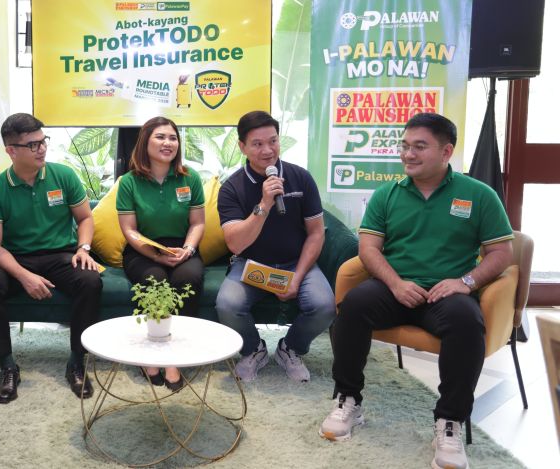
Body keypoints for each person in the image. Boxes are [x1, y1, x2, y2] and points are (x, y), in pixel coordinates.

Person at [319, 113, 513, 469]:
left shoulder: (479, 195)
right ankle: (348, 399)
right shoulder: (387, 194)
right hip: (395, 287)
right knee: (353, 306)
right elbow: (369, 249)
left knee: (467, 323)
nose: (408, 154)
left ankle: (450, 421)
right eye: (405, 146)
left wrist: (465, 283)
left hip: (447, 294)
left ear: (446, 151)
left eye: (419, 147)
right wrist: (395, 283)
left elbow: (502, 253)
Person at [0, 113, 102, 403]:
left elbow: (85, 218)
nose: (42, 148)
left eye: (43, 141)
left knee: (90, 281)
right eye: (33, 145)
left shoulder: (63, 175)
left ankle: (76, 362)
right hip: (17, 258)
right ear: (11, 150)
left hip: (61, 254)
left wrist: (83, 248)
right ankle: (8, 366)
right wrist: (24, 276)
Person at [216, 110, 335, 383]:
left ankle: (290, 348)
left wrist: (297, 277)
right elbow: (235, 244)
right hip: (251, 264)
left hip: (296, 261)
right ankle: (253, 349)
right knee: (227, 304)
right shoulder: (232, 187)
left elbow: (316, 233)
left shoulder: (301, 178)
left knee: (325, 306)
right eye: (257, 144)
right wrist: (265, 204)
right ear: (242, 147)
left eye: (273, 141)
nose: (267, 150)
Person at [116, 116, 205, 391]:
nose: (168, 143)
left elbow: (198, 223)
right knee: (154, 280)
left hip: (182, 246)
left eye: (173, 138)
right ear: (145, 142)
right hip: (143, 249)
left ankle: (175, 356)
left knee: (188, 279)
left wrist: (188, 249)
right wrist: (156, 256)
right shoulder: (129, 182)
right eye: (160, 137)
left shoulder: (190, 178)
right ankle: (150, 353)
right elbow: (129, 230)